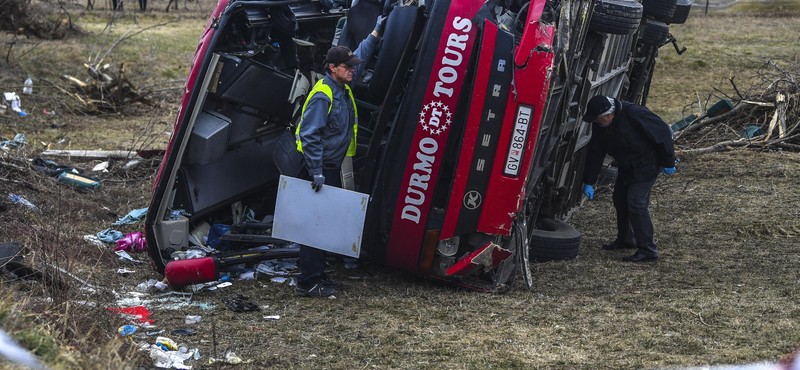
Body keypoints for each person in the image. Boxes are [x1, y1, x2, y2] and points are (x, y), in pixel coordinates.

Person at [292, 16, 386, 297]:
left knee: (323, 223)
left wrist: (376, 31)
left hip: (328, 167)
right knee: (313, 225)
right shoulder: (324, 95)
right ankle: (308, 282)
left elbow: (362, 56)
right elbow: (309, 136)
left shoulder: (342, 88)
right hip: (316, 170)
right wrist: (317, 171)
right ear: (332, 68)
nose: (353, 71)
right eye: (347, 68)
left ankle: (318, 275)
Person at [581, 95, 677, 262]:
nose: (594, 123)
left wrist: (668, 161)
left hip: (648, 163)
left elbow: (662, 133)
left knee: (637, 203)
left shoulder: (634, 113)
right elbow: (596, 152)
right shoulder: (601, 125)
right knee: (620, 199)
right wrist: (589, 181)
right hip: (627, 165)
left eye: (597, 119)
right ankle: (626, 239)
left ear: (608, 115)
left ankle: (648, 250)